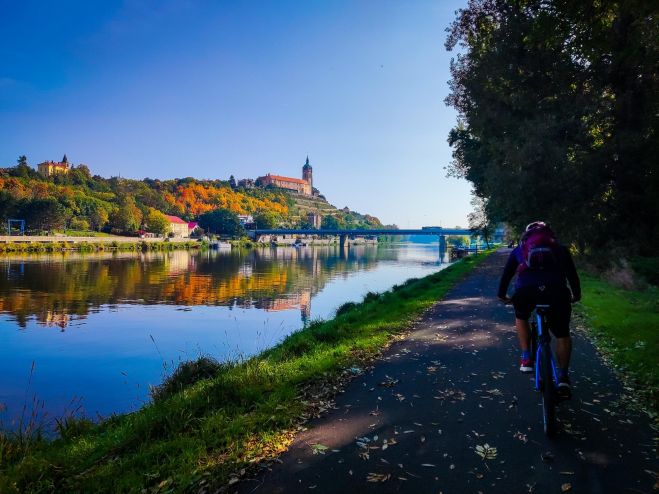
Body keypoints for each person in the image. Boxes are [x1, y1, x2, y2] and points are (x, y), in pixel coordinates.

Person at [497, 221, 581, 399]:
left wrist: (502, 295)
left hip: (526, 293)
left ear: (526, 236)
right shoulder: (560, 249)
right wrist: (576, 295)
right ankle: (563, 377)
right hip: (556, 293)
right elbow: (572, 275)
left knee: (521, 317)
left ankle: (526, 357)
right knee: (562, 334)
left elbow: (506, 276)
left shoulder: (519, 250)